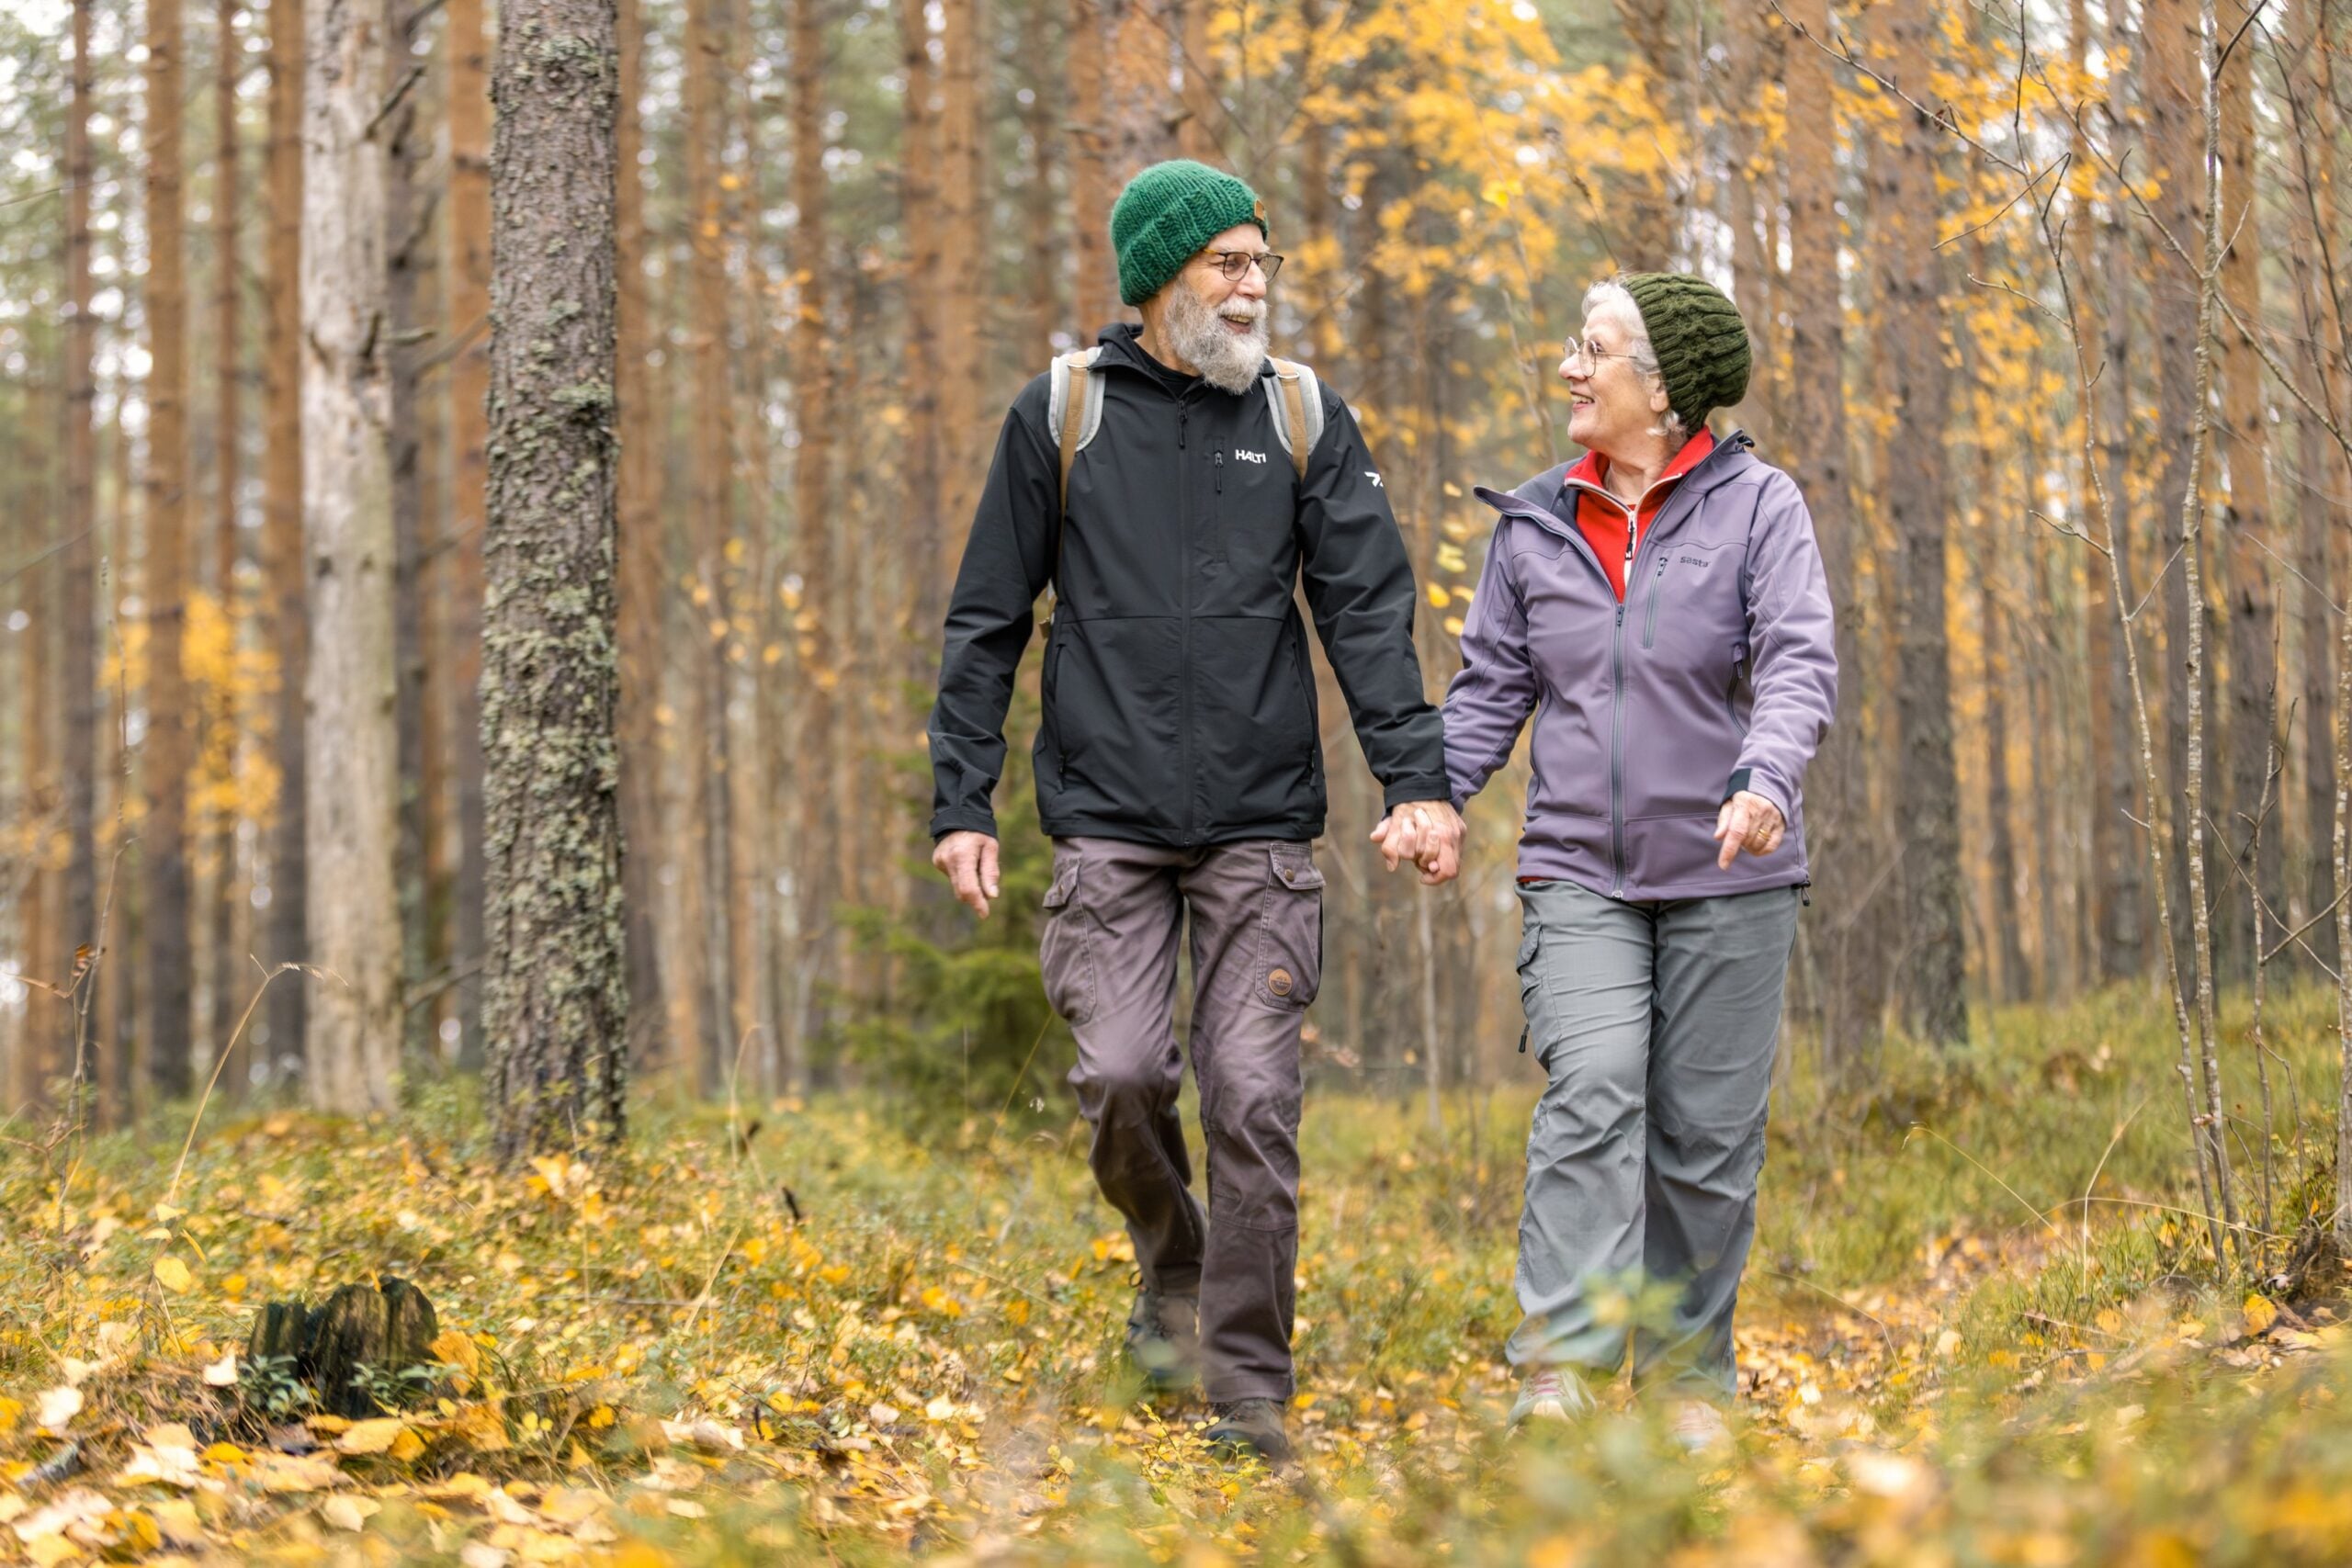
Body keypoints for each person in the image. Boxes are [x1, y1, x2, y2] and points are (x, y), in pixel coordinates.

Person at [925, 158, 1464, 1464]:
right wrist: (964, 798)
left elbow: (1368, 615)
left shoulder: (1300, 417)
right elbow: (988, 617)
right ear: (1161, 274)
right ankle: (1175, 1272)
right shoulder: (1059, 413)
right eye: (1226, 261)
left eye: (1260, 261)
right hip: (1106, 813)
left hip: (1258, 822)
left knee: (1253, 1099)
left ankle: (1247, 1389)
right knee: (1119, 1075)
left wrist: (1418, 780)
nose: (1251, 283)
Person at [1395, 272, 1835, 1450]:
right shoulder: (1536, 521)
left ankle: (1691, 1378)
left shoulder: (1760, 509)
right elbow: (1489, 688)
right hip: (1579, 871)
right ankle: (1562, 1373)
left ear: (1665, 390)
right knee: (1591, 1092)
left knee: (1703, 1135)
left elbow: (1797, 660)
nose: (1569, 370)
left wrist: (1765, 780)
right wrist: (1432, 797)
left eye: (1592, 351)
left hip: (1731, 872)